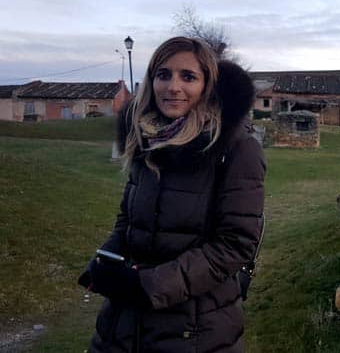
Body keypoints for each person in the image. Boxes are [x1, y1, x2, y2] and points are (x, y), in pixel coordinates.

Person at [78, 36, 265, 352]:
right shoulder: (145, 139)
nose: (173, 86)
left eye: (188, 77)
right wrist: (104, 263)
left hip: (196, 327)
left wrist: (148, 286)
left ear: (206, 85)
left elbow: (235, 244)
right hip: (123, 322)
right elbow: (127, 219)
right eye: (163, 74)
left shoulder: (235, 146)